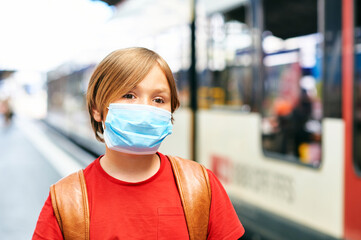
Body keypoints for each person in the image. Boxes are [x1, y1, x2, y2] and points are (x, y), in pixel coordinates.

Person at [32, 47, 245, 239]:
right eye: (129, 95)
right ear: (97, 109)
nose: (145, 110)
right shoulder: (65, 201)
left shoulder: (201, 186)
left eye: (159, 100)